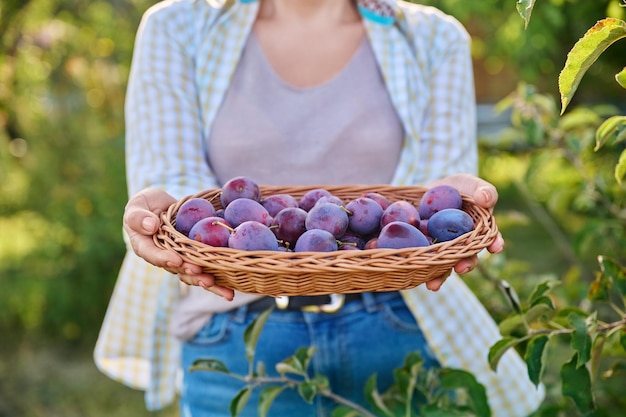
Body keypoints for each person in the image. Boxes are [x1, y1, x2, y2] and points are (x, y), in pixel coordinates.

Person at [95, 0, 545, 416]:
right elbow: (181, 196)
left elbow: (430, 203)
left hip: (400, 325)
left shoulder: (432, 37)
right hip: (238, 342)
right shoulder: (178, 27)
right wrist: (163, 217)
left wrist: (460, 200)